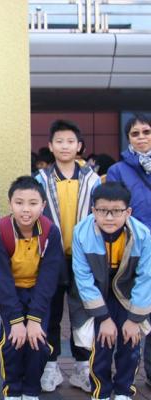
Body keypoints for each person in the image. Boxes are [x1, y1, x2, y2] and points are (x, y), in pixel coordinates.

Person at [35, 119, 100, 393]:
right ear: (50, 146)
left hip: (84, 258)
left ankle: (82, 368)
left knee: (83, 311)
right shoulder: (40, 180)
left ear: (79, 146)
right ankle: (50, 367)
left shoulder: (93, 180)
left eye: (70, 141)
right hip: (51, 257)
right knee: (50, 311)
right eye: (59, 141)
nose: (65, 146)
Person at [72, 182, 151, 400]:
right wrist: (103, 317)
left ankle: (124, 391)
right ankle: (102, 392)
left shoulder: (143, 235)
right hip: (97, 295)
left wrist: (134, 319)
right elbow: (83, 277)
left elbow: (146, 278)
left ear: (128, 212)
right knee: (100, 346)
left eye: (116, 211)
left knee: (131, 344)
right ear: (93, 210)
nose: (109, 217)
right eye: (102, 210)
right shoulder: (81, 233)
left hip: (128, 296)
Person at [0, 176, 63, 400]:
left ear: (43, 205)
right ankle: (12, 391)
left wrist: (34, 318)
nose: (26, 209)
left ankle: (31, 391)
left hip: (38, 292)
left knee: (38, 341)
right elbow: (1, 279)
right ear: (10, 204)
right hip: (11, 292)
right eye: (19, 202)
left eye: (33, 203)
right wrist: (15, 321)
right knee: (13, 341)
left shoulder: (50, 232)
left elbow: (48, 278)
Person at [105, 113, 151, 386]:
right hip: (134, 250)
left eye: (146, 131)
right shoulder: (118, 171)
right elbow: (113, 210)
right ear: (128, 139)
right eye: (135, 133)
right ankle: (123, 375)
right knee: (134, 311)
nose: (141, 137)